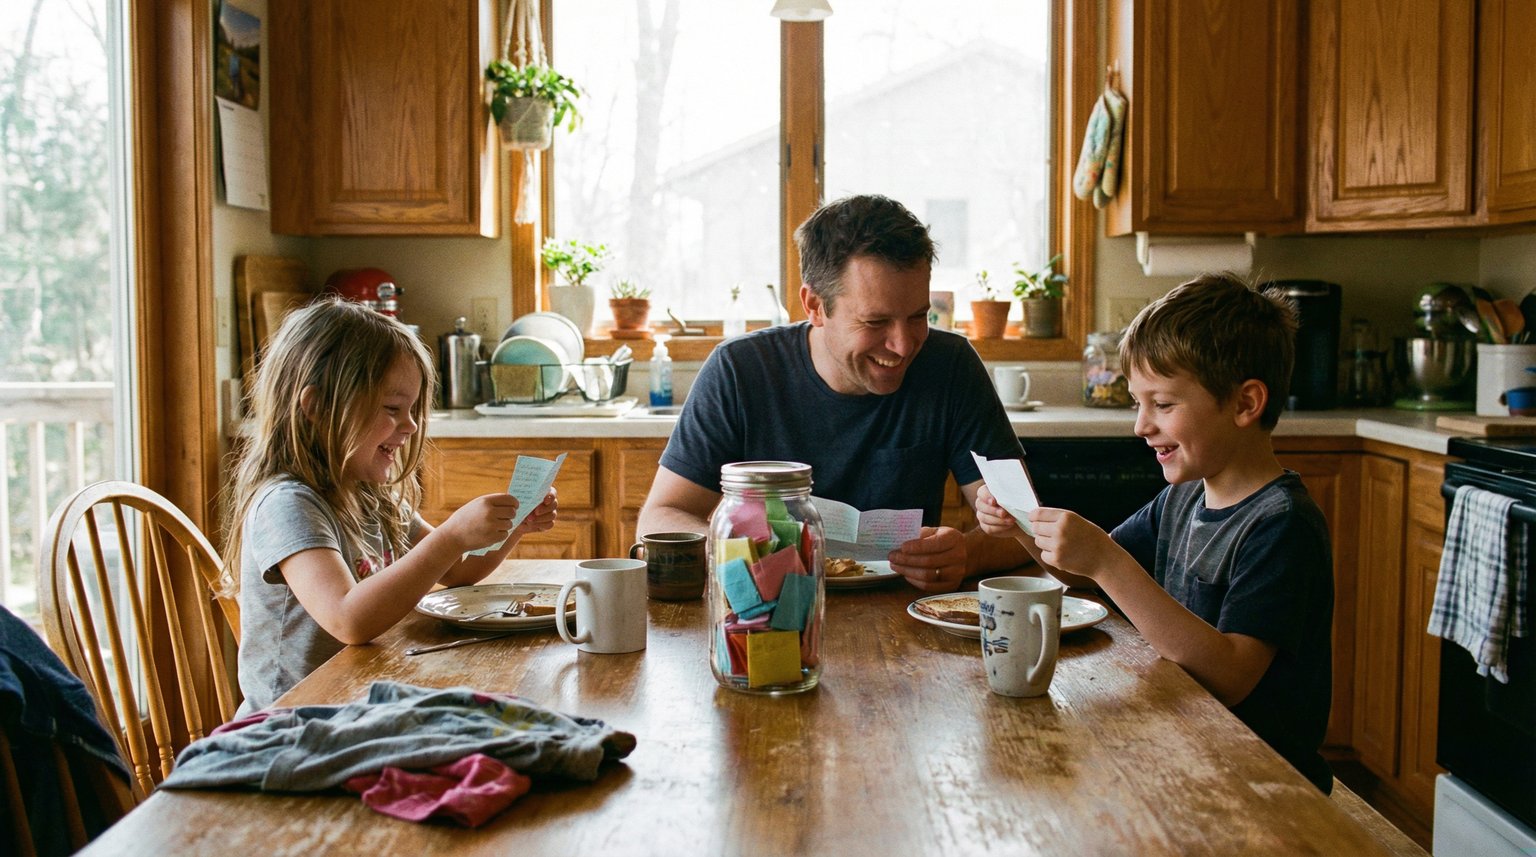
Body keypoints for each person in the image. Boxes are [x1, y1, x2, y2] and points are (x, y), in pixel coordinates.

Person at [976, 273, 1335, 793]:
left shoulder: (1281, 524)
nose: (1140, 425)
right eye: (1136, 403)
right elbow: (1083, 574)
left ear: (1244, 404)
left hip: (1265, 784)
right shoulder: (1184, 497)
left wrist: (1106, 560)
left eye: (1163, 404)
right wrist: (1021, 528)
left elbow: (1231, 677)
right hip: (1190, 756)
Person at [637, 194, 1027, 593]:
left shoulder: (951, 366)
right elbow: (662, 516)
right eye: (875, 322)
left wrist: (967, 553)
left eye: (917, 317)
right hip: (767, 610)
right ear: (815, 306)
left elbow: (1024, 527)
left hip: (907, 615)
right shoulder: (739, 371)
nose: (904, 345)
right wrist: (743, 557)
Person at [220, 299, 558, 715]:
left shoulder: (369, 494)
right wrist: (452, 535)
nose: (411, 425)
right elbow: (349, 620)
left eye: (413, 410)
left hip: (358, 702)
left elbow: (458, 570)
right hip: (292, 722)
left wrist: (513, 528)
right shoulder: (288, 504)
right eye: (392, 409)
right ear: (317, 408)